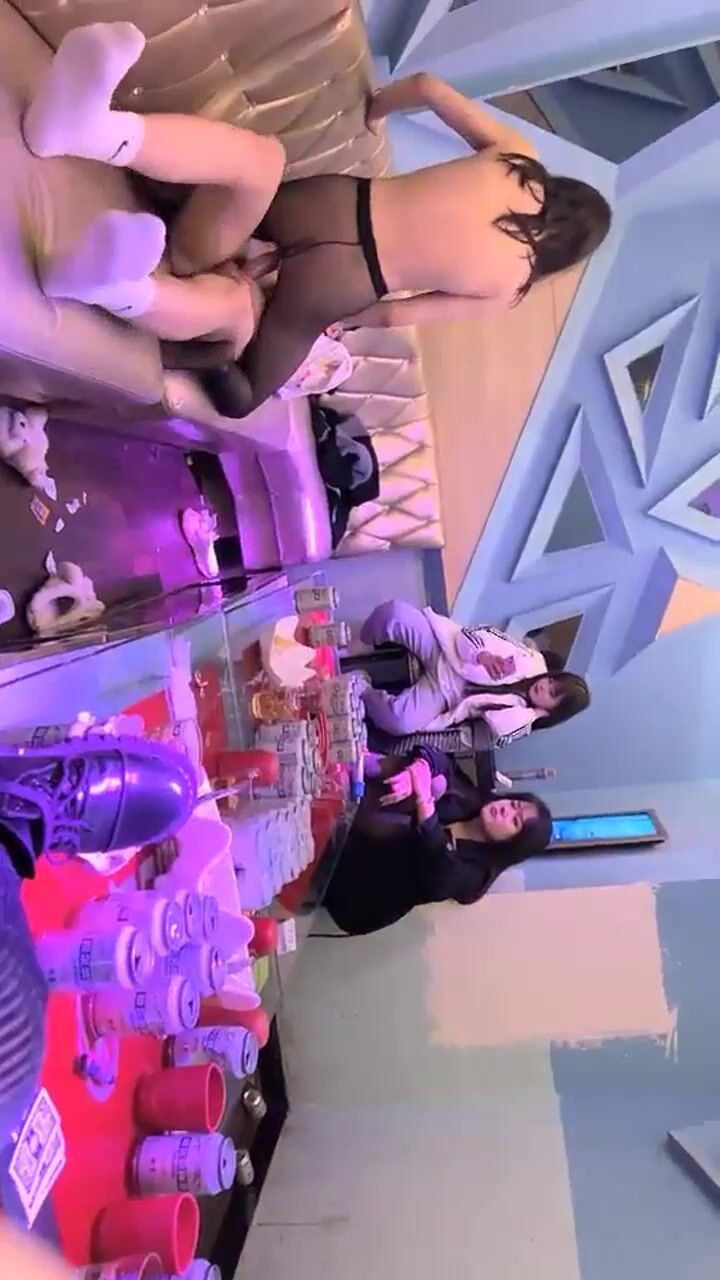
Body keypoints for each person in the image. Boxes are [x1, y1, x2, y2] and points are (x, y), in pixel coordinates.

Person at [22, 23, 613, 418]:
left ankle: (104, 136)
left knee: (260, 163)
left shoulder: (518, 161)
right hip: (342, 282)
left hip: (331, 202)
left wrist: (378, 111)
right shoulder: (510, 287)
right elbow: (395, 313)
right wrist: (336, 323)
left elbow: (428, 87)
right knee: (242, 396)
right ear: (567, 255)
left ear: (565, 190)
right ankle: (124, 283)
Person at [323, 747, 552, 936]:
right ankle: (347, 763)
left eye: (515, 821)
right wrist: (422, 767)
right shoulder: (469, 801)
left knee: (425, 796)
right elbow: (442, 760)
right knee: (430, 779)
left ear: (512, 844)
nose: (505, 811)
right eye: (513, 804)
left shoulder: (476, 876)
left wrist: (424, 801)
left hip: (360, 894)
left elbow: (439, 874)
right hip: (357, 844)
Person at [359, 600, 590, 743]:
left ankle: (361, 689)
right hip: (444, 651)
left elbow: (498, 726)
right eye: (551, 681)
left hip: (444, 694)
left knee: (400, 721)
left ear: (553, 711)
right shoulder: (529, 660)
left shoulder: (523, 719)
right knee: (395, 613)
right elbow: (480, 631)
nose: (545, 686)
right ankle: (362, 643)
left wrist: (536, 715)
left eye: (552, 694)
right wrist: (482, 655)